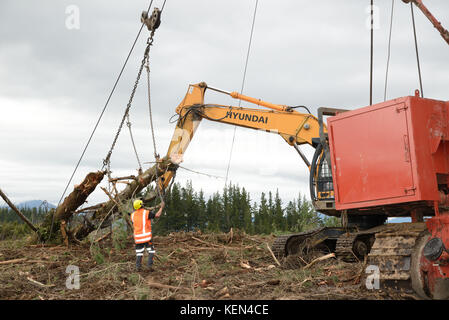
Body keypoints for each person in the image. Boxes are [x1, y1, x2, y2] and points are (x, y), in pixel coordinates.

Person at [130, 198, 165, 271]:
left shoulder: (132, 215)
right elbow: (157, 215)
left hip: (138, 239)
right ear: (141, 205)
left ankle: (138, 267)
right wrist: (161, 207)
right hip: (146, 237)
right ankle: (149, 266)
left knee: (139, 253)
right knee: (151, 251)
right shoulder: (146, 213)